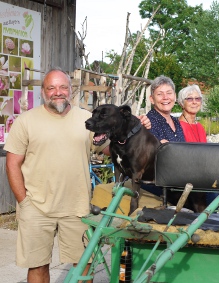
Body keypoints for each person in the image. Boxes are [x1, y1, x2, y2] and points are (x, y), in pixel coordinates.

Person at [4, 68, 150, 283]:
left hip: (77, 207)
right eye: (51, 88)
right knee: (37, 265)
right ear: (43, 91)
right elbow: (12, 164)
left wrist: (136, 129)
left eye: (63, 87)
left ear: (70, 90)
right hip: (36, 207)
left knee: (84, 264)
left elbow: (113, 148)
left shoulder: (87, 119)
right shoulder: (26, 121)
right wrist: (23, 202)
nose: (58, 92)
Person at [146, 75, 185, 143]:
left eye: (169, 93)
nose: (165, 97)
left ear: (175, 97)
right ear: (152, 99)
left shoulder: (176, 121)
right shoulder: (149, 123)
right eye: (160, 94)